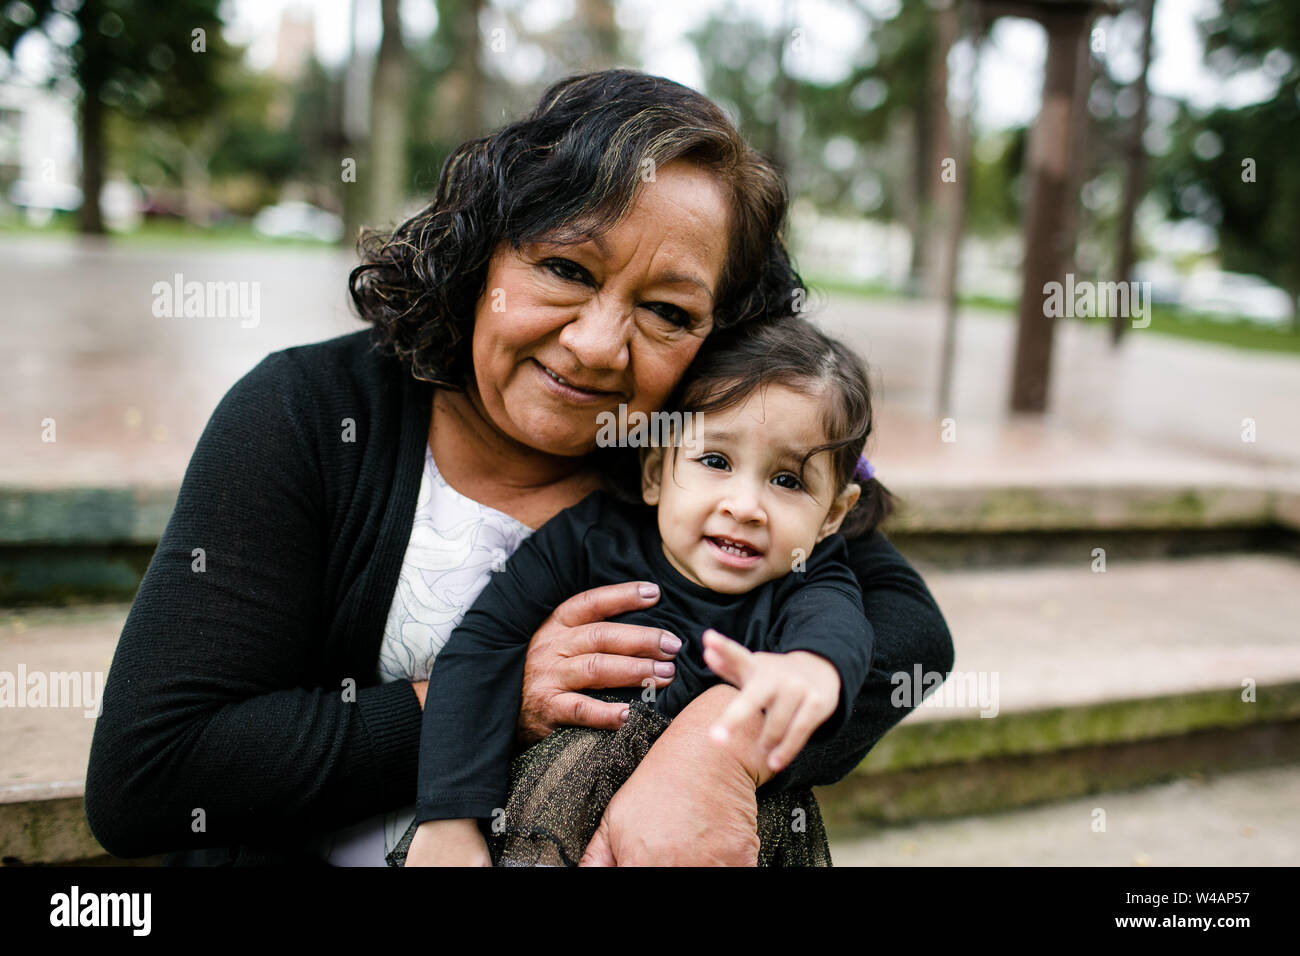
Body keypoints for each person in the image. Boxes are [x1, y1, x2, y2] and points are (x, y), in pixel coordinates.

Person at [84, 69, 953, 867]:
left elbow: (906, 631)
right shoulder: (312, 413)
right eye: (566, 268)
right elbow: (153, 773)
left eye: (666, 310)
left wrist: (715, 744)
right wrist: (497, 696)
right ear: (486, 249)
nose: (596, 346)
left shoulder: (690, 455)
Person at [397, 316, 888, 867]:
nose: (745, 506)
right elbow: (486, 644)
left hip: (708, 832)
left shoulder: (808, 577)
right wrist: (449, 819)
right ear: (656, 471)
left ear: (832, 517)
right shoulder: (589, 539)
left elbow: (840, 628)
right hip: (545, 812)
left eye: (788, 481)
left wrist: (811, 669)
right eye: (715, 461)